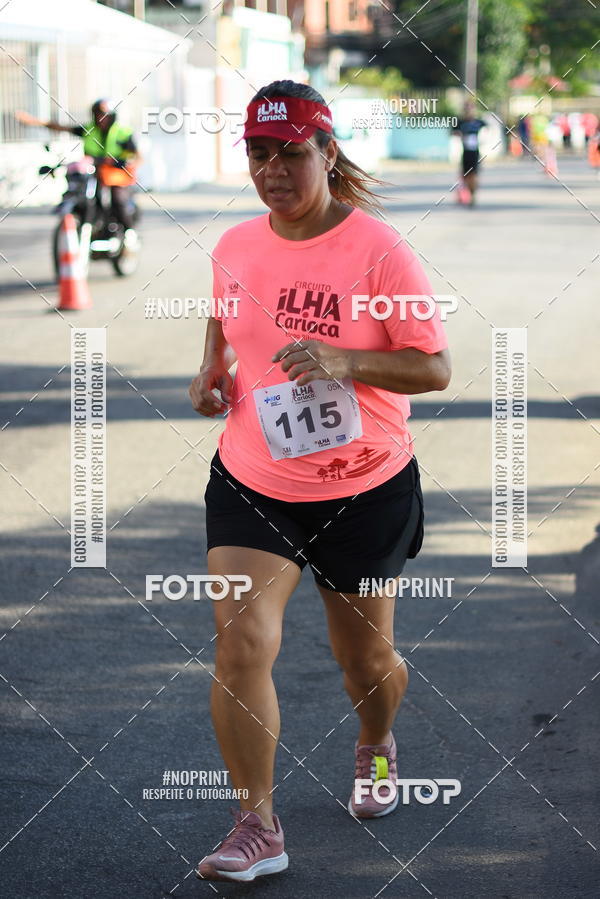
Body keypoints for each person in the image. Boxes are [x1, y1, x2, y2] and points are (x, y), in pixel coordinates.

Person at [188, 79, 451, 883]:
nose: (273, 170)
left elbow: (434, 366)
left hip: (363, 485)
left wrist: (346, 359)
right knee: (242, 648)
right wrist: (211, 371)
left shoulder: (380, 250)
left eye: (291, 153)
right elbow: (227, 318)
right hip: (253, 479)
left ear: (327, 153)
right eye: (259, 154)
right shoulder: (235, 243)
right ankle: (256, 826)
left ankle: (376, 744)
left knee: (365, 661)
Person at [15, 99, 140, 231]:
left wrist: (127, 164)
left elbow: (138, 157)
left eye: (104, 115)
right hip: (94, 172)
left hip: (115, 175)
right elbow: (59, 127)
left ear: (112, 117)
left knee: (118, 200)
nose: (100, 118)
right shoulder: (88, 130)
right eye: (97, 114)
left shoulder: (124, 132)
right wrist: (33, 121)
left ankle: (129, 232)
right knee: (83, 196)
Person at [452, 101, 486, 205]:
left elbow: (487, 131)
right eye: (466, 109)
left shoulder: (479, 123)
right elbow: (452, 132)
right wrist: (459, 135)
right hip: (465, 153)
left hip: (475, 153)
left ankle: (472, 195)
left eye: (470, 109)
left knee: (474, 175)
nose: (468, 111)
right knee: (465, 176)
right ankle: (465, 195)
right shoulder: (460, 122)